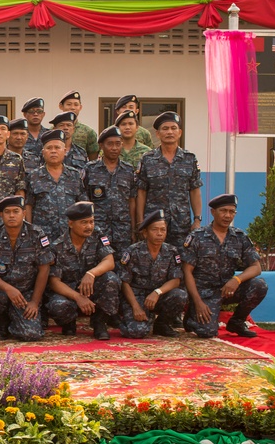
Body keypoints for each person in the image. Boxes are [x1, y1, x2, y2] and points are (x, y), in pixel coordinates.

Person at [181, 194, 268, 339]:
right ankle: (191, 316)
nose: (227, 215)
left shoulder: (239, 237)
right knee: (207, 332)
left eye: (231, 211)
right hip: (204, 292)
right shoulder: (197, 237)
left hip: (227, 289)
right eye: (223, 211)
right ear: (213, 212)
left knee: (259, 285)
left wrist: (237, 280)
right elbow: (187, 271)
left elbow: (256, 267)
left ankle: (237, 322)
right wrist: (197, 302)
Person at [0, 195, 53, 341]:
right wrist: (8, 289)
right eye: (7, 212)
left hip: (26, 294)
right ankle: (2, 321)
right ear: (1, 215)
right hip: (1, 291)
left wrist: (35, 302)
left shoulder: (37, 234)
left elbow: (44, 268)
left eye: (16, 211)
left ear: (24, 213)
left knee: (30, 335)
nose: (11, 215)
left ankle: (16, 320)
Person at [46, 201, 120, 340]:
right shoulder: (57, 246)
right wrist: (78, 297)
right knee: (58, 306)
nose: (89, 226)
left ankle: (99, 322)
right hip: (70, 292)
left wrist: (91, 273)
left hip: (92, 288)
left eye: (91, 222)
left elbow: (109, 261)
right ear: (71, 224)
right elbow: (54, 282)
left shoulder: (97, 235)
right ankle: (69, 322)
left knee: (111, 279)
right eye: (84, 222)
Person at [136, 111, 203, 248]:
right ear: (158, 134)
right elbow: (141, 192)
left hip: (181, 224)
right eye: (165, 129)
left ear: (180, 132)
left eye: (173, 128)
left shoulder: (189, 159)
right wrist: (141, 222)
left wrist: (197, 219)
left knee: (180, 261)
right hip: (154, 224)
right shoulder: (147, 159)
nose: (169, 132)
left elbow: (195, 191)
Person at [118, 209, 188, 338]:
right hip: (137, 297)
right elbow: (124, 282)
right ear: (145, 233)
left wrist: (157, 292)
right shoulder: (133, 251)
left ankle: (162, 324)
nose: (160, 234)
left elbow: (176, 280)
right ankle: (124, 320)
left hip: (158, 296)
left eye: (163, 230)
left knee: (180, 295)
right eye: (155, 230)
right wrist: (135, 307)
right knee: (137, 332)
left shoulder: (171, 251)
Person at [82, 126, 137, 260]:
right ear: (101, 145)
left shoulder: (129, 170)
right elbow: (83, 199)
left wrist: (134, 227)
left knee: (123, 264)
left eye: (118, 144)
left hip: (122, 228)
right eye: (110, 144)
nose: (114, 148)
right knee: (98, 263)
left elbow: (132, 200)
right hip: (98, 228)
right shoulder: (90, 169)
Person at [25, 130, 86, 242]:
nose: (53, 151)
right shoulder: (34, 176)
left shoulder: (74, 175)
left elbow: (82, 204)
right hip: (42, 235)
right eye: (49, 148)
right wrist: (30, 229)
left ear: (64, 151)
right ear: (43, 152)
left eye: (57, 148)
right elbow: (28, 205)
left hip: (69, 234)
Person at [58, 90, 99, 160]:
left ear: (80, 107)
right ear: (61, 106)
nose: (72, 107)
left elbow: (93, 160)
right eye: (69, 104)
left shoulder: (88, 132)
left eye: (76, 105)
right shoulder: (53, 130)